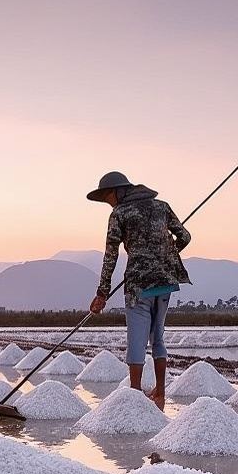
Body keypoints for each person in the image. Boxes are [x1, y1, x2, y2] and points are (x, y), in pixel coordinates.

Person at [86, 171, 191, 410]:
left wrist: (102, 293)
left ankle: (134, 398)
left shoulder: (119, 214)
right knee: (158, 337)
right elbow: (184, 236)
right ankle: (160, 392)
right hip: (165, 281)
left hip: (138, 286)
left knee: (136, 339)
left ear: (118, 192)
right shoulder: (162, 207)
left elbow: (110, 255)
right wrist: (164, 253)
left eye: (107, 197)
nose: (108, 203)